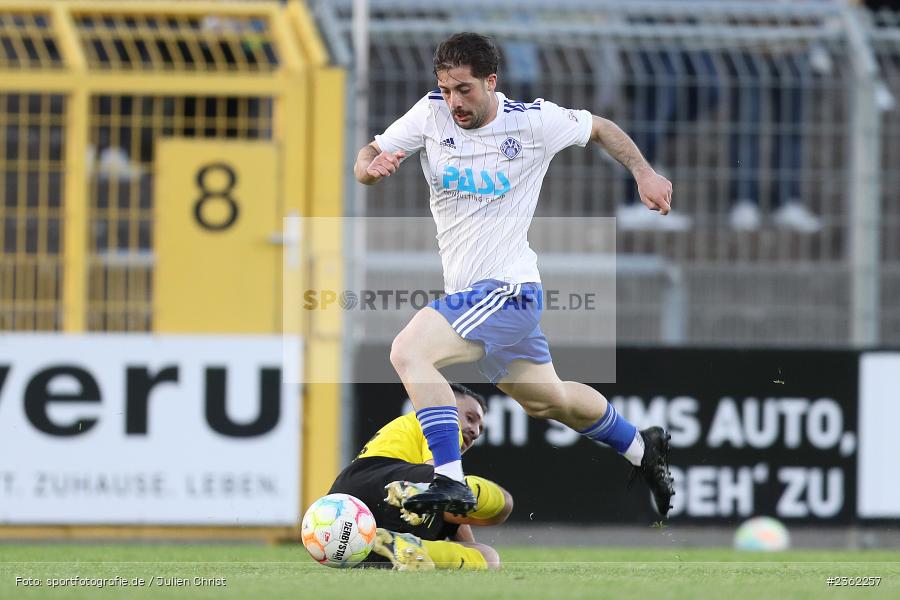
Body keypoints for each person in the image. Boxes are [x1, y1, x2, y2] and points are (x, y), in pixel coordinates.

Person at [353, 32, 674, 521]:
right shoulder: (429, 114)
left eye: (464, 90)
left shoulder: (533, 122)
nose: (453, 101)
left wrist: (644, 174)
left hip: (508, 291)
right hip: (475, 297)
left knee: (409, 352)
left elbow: (602, 128)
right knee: (551, 401)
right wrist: (371, 171)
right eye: (445, 88)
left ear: (491, 81)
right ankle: (640, 447)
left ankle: (449, 481)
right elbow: (367, 156)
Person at [328, 383, 512, 571]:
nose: (475, 431)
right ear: (446, 403)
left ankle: (407, 548)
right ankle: (417, 493)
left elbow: (453, 502)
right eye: (470, 418)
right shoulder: (441, 420)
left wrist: (469, 544)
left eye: (480, 428)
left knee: (488, 558)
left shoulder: (408, 437)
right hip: (380, 482)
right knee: (503, 505)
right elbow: (440, 478)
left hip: (348, 524)